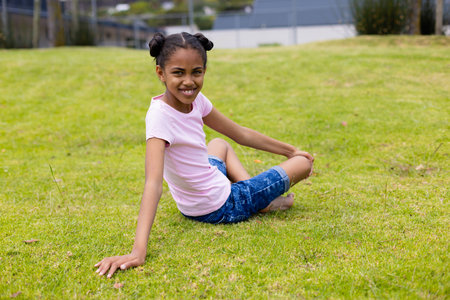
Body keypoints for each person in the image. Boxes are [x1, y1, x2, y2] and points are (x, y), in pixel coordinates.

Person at [94, 32, 314, 278]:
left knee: (219, 143)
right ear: (161, 73)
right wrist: (138, 251)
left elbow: (240, 134)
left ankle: (256, 197)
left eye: (196, 72)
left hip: (200, 197)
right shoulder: (159, 118)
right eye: (178, 73)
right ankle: (258, 202)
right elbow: (153, 183)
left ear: (204, 72)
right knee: (303, 164)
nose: (189, 82)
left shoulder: (196, 101)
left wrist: (288, 150)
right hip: (222, 205)